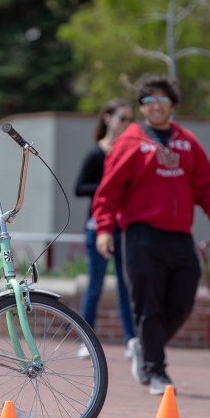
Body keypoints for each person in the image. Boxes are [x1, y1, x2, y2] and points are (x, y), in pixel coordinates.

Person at [93, 74, 210, 395]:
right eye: (149, 101)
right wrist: (104, 228)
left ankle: (145, 345)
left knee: (183, 298)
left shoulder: (188, 142)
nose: (156, 106)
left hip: (179, 234)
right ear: (142, 107)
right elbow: (108, 191)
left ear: (172, 106)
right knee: (148, 303)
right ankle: (156, 371)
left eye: (162, 100)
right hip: (140, 234)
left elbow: (206, 185)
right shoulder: (129, 142)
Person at [74, 98, 138, 361]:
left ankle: (132, 341)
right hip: (97, 227)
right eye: (122, 118)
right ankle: (85, 340)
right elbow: (80, 188)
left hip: (123, 226)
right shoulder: (95, 153)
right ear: (107, 119)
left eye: (130, 120)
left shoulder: (131, 152)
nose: (126, 124)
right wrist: (108, 185)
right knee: (95, 286)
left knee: (126, 285)